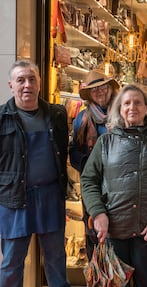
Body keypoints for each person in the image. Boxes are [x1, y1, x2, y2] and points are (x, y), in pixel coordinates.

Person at [80, 83, 147, 287]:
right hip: (114, 231)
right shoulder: (105, 142)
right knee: (115, 284)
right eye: (127, 103)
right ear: (119, 108)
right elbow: (89, 179)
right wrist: (98, 213)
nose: (132, 107)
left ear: (146, 108)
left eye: (137, 103)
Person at [0, 60, 70, 287]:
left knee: (56, 260)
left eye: (32, 79)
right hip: (14, 199)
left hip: (50, 196)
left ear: (40, 83)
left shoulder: (57, 115)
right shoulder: (2, 119)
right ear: (11, 85)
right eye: (20, 80)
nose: (27, 85)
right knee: (11, 263)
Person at [69, 68, 119, 260]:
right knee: (93, 231)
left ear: (110, 88)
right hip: (94, 186)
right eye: (95, 89)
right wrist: (90, 167)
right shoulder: (82, 118)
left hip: (120, 185)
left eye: (103, 87)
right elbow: (74, 151)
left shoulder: (123, 112)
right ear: (89, 94)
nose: (100, 92)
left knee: (119, 233)